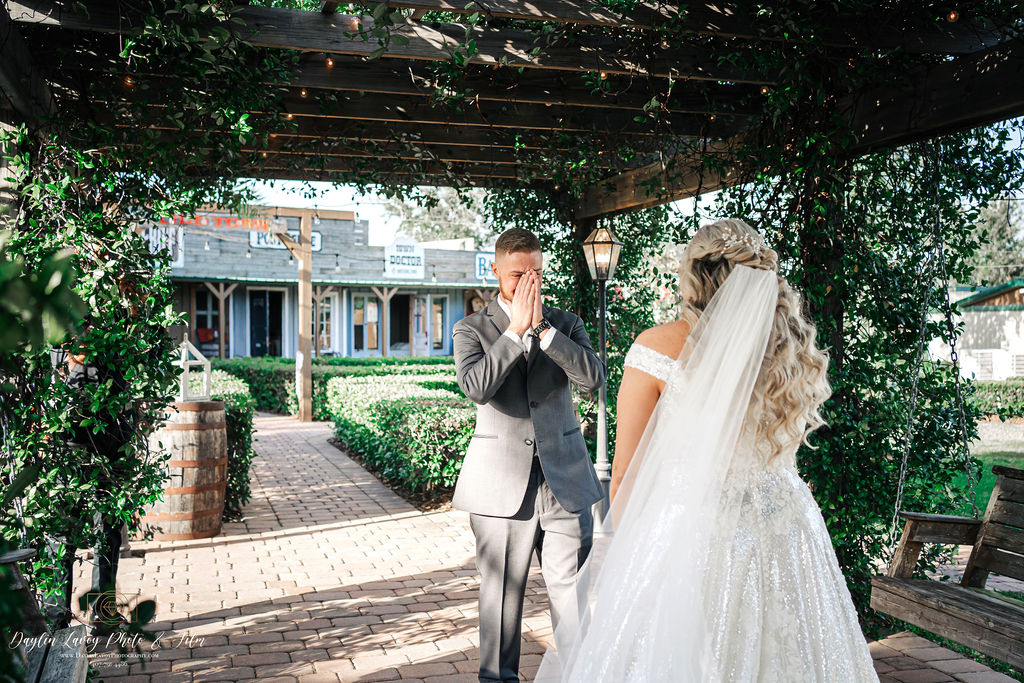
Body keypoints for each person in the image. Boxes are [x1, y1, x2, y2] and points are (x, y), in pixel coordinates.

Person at [536, 219, 878, 682]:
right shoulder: (788, 351)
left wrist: (626, 560)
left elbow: (626, 474)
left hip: (691, 528)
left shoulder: (656, 347)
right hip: (785, 522)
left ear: (693, 278)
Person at [452, 227, 606, 683]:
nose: (528, 282)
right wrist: (517, 331)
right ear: (495, 270)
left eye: (536, 272)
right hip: (501, 486)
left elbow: (593, 378)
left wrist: (543, 330)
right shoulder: (471, 329)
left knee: (571, 594)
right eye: (518, 274)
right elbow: (478, 387)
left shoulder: (566, 321)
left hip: (565, 480)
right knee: (501, 598)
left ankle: (581, 675)